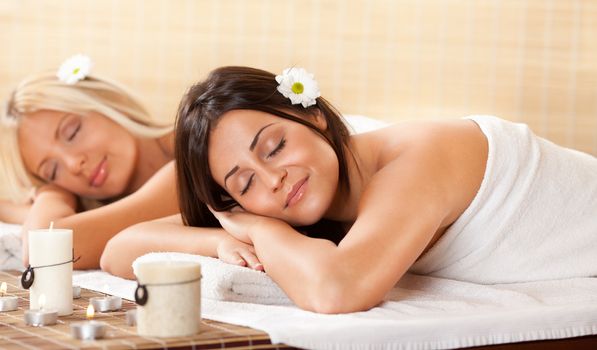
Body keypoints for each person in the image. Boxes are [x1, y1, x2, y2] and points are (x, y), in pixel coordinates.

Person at [172, 66, 597, 314]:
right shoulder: (279, 203)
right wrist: (221, 239)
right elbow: (123, 246)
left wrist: (259, 230)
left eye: (275, 147)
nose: (272, 179)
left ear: (314, 115)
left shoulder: (418, 156)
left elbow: (337, 290)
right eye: (244, 183)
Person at [0, 55, 261, 273]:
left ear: (108, 101)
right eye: (52, 170)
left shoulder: (192, 157)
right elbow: (26, 220)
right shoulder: (107, 204)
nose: (73, 164)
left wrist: (51, 193)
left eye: (72, 132)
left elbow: (47, 247)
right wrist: (53, 192)